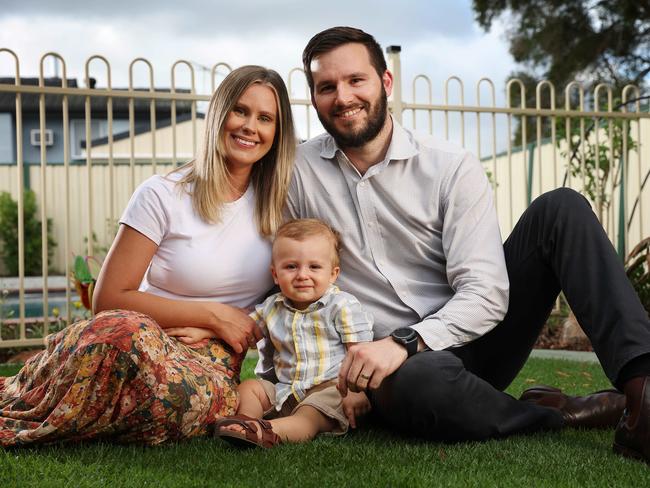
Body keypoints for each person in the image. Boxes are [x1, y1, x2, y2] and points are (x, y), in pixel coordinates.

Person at [288, 26, 650, 463]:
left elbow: (486, 292)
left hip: (474, 339)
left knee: (561, 208)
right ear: (313, 98)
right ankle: (561, 414)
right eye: (326, 86)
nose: (342, 97)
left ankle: (643, 393)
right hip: (394, 372)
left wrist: (406, 340)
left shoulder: (449, 166)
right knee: (419, 383)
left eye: (355, 80)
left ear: (385, 82)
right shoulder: (297, 172)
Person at [0, 65, 296, 446]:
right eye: (240, 111)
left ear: (277, 131)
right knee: (123, 333)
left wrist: (218, 328)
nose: (249, 127)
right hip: (141, 336)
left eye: (265, 118)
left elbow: (288, 296)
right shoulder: (162, 193)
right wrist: (213, 314)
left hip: (211, 362)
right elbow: (109, 299)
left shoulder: (279, 206)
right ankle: (52, 395)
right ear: (219, 114)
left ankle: (91, 399)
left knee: (181, 401)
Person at [215, 218, 373, 448]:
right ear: (275, 274)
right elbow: (243, 329)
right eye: (291, 266)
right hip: (285, 389)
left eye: (314, 267)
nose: (302, 275)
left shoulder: (342, 306)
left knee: (307, 417)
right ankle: (246, 423)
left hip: (329, 390)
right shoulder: (272, 307)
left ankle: (267, 431)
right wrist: (202, 328)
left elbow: (359, 352)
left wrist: (356, 391)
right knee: (250, 388)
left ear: (333, 274)